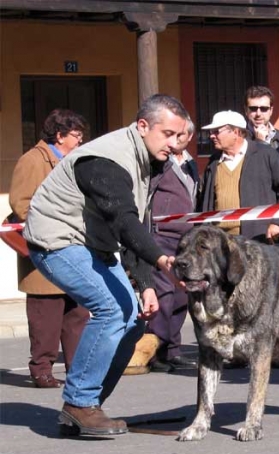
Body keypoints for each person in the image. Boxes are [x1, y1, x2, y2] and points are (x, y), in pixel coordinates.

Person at [22, 94, 190, 436]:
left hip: (93, 244)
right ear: (143, 126)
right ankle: (79, 403)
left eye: (179, 136)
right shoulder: (106, 159)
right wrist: (160, 259)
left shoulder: (145, 160)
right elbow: (124, 220)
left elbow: (133, 227)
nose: (174, 145)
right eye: (168, 134)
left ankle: (88, 405)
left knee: (133, 317)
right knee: (111, 309)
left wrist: (145, 286)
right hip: (56, 241)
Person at [199, 110, 279, 368]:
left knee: (263, 298)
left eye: (217, 131)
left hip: (256, 241)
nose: (211, 135)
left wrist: (277, 222)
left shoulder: (264, 155)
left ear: (236, 131)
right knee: (228, 298)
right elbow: (205, 202)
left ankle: (275, 351)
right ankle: (236, 351)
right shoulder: (213, 163)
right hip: (222, 244)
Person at [9, 109, 90, 389]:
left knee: (78, 314)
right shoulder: (32, 160)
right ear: (59, 135)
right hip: (45, 249)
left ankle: (77, 369)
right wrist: (57, 222)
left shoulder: (73, 160)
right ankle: (41, 370)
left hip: (75, 250)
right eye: (76, 136)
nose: (80, 141)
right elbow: (21, 204)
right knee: (46, 318)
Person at [144, 118, 200, 372]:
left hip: (185, 237)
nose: (175, 141)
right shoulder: (159, 163)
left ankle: (173, 349)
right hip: (162, 234)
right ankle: (155, 351)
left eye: (181, 136)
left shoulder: (190, 163)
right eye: (173, 135)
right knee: (164, 294)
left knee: (180, 294)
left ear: (188, 137)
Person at [244, 85, 279, 155]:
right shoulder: (239, 138)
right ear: (246, 110)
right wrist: (259, 142)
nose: (258, 114)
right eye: (253, 109)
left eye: (264, 109)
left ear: (271, 110)